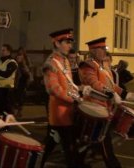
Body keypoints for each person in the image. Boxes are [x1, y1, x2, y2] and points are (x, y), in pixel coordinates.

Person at [78, 37, 134, 168]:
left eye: (105, 48)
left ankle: (77, 161)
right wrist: (111, 93)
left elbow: (112, 85)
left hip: (105, 108)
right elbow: (94, 83)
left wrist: (126, 94)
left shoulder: (103, 65)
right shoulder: (88, 65)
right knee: (103, 140)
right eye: (102, 48)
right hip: (94, 107)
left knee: (93, 139)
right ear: (93, 51)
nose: (104, 51)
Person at [40, 28, 83, 168]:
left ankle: (37, 162)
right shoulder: (51, 63)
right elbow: (54, 89)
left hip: (67, 110)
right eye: (66, 42)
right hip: (59, 111)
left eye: (70, 42)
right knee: (68, 145)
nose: (70, 45)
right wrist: (73, 99)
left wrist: (80, 91)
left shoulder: (64, 60)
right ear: (57, 44)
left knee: (58, 143)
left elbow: (68, 85)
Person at [0, 44, 18, 117]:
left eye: (3, 50)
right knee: (0, 108)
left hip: (7, 89)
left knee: (7, 108)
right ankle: (3, 124)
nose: (1, 52)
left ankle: (8, 125)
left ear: (9, 51)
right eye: (1, 50)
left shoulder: (12, 62)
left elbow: (6, 74)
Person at [13, 47, 30, 117]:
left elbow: (27, 73)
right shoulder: (15, 62)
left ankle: (19, 111)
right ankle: (15, 111)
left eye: (22, 54)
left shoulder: (25, 62)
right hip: (16, 81)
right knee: (15, 96)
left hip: (22, 81)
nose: (20, 56)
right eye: (19, 54)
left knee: (21, 97)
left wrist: (23, 65)